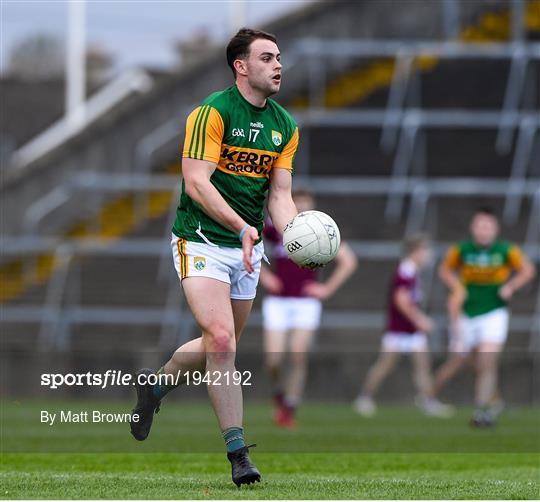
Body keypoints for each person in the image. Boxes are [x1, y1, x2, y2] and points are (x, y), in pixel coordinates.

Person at [129, 28, 301, 487]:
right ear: (240, 66)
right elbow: (197, 183)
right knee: (222, 342)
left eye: (279, 57)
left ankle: (155, 386)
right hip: (202, 239)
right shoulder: (212, 113)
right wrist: (244, 227)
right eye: (267, 57)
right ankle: (238, 454)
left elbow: (280, 197)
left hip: (246, 249)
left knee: (216, 346)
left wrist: (298, 235)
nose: (278, 64)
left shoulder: (285, 125)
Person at [260, 189, 358, 428]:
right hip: (278, 301)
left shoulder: (320, 231)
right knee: (273, 360)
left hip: (305, 302)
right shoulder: (277, 231)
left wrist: (326, 289)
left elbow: (348, 260)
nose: (302, 209)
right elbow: (249, 247)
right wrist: (265, 277)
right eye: (298, 204)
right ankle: (279, 393)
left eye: (306, 205)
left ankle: (290, 407)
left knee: (297, 354)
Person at [435, 207, 535, 427]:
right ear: (473, 227)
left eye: (488, 226)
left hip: (494, 312)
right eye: (480, 226)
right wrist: (458, 287)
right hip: (467, 313)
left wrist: (510, 286)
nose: (483, 231)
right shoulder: (460, 250)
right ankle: (430, 395)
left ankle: (482, 411)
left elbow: (528, 270)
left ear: (495, 229)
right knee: (463, 360)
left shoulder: (506, 250)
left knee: (488, 360)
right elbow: (444, 270)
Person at [354, 234, 453, 418]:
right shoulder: (405, 271)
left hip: (411, 331)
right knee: (385, 365)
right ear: (415, 251)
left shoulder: (413, 271)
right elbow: (401, 300)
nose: (427, 254)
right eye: (424, 250)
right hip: (398, 330)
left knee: (422, 366)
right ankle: (364, 398)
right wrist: (419, 320)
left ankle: (428, 401)